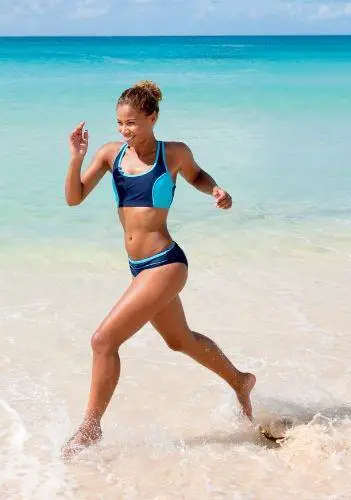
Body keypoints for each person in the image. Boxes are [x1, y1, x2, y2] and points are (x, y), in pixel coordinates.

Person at [60, 80, 256, 459]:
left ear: (153, 117)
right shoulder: (109, 155)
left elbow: (198, 175)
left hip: (166, 263)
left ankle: (91, 428)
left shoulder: (174, 153)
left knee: (103, 340)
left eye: (132, 122)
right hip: (139, 268)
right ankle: (241, 381)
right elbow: (73, 198)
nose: (124, 130)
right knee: (179, 341)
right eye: (119, 123)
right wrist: (75, 157)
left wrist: (216, 191)